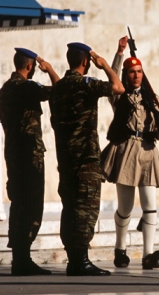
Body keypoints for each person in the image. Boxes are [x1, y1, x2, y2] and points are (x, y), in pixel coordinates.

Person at [49, 42, 124, 276]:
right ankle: (80, 261)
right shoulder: (87, 84)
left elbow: (58, 88)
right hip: (85, 157)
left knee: (70, 207)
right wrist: (104, 66)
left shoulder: (58, 88)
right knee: (86, 208)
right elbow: (118, 88)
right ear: (85, 62)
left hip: (66, 158)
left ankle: (75, 259)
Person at [101, 36, 159, 270]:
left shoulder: (152, 98)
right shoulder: (119, 95)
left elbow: (157, 126)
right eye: (132, 72)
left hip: (148, 151)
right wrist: (120, 53)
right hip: (126, 151)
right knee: (126, 207)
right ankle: (120, 248)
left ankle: (148, 254)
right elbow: (112, 77)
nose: (136, 75)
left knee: (150, 204)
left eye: (139, 71)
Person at [0, 48, 60, 276]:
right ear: (30, 66)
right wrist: (51, 70)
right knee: (32, 206)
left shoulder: (5, 89)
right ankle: (23, 259)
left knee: (18, 204)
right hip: (30, 155)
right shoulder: (27, 87)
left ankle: (20, 258)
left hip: (14, 152)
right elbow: (60, 91)